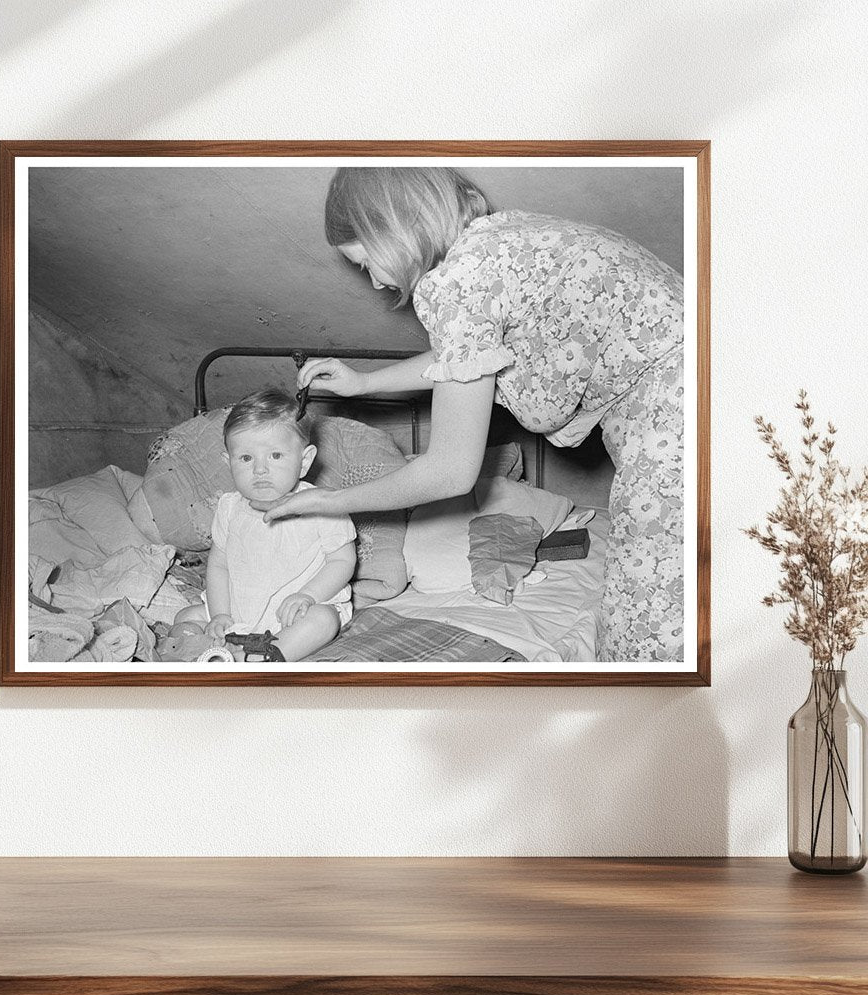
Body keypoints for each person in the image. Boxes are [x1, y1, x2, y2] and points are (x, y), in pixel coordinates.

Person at [258, 167, 684, 662]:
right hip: (702, 387)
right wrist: (366, 382)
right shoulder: (495, 244)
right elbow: (468, 358)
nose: (373, 281)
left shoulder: (456, 284)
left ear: (394, 228)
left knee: (649, 619)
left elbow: (450, 472)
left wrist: (327, 502)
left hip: (673, 419)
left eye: (365, 260)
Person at [173, 388, 357, 662]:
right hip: (238, 610)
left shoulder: (322, 505)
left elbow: (342, 561)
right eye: (246, 458)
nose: (259, 469)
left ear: (304, 461)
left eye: (275, 456)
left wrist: (307, 595)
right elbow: (219, 565)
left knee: (324, 621)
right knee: (185, 617)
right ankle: (195, 654)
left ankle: (266, 658)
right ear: (229, 462)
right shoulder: (229, 507)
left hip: (295, 611)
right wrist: (221, 613)